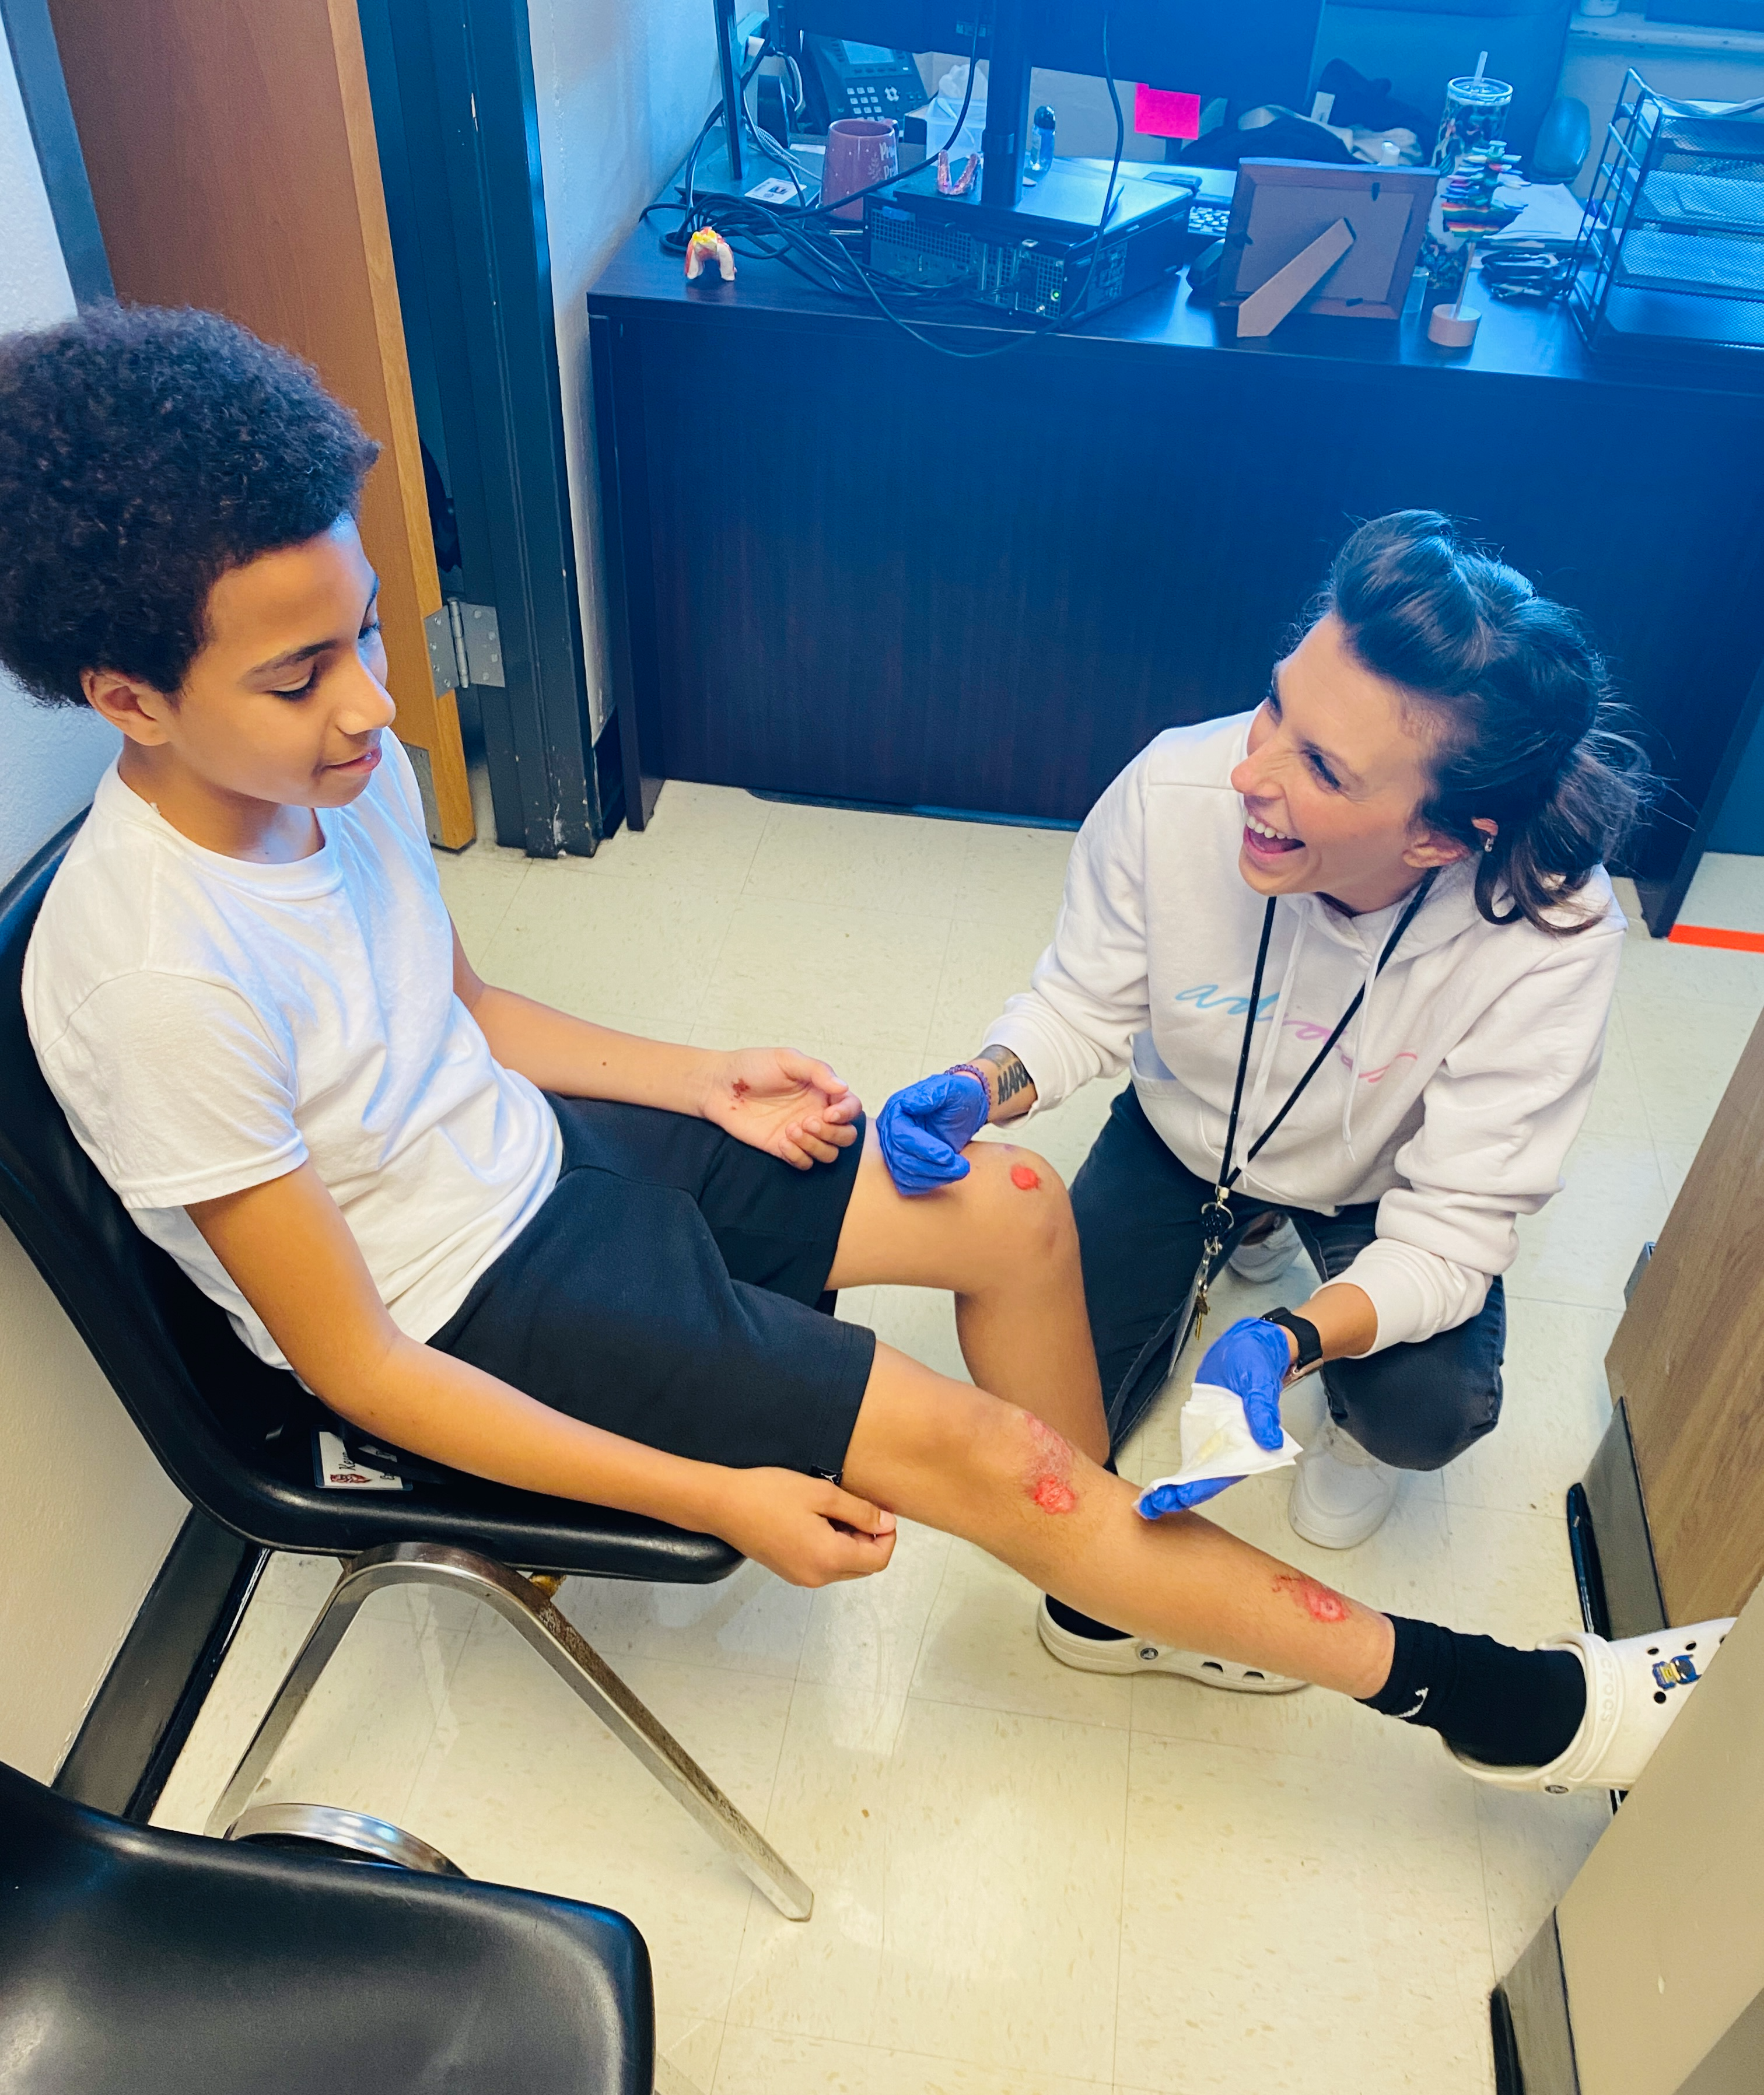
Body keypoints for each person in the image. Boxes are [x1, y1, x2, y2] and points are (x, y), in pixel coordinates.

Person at [2, 305, 1724, 1802]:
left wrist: (698, 1078)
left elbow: (463, 1017)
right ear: (129, 697)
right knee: (1009, 1464)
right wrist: (720, 1491)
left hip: (538, 1154)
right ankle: (1506, 1702)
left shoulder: (330, 778)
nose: (376, 709)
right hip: (461, 1301)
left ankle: (1090, 1574)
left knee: (1013, 1204)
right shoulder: (154, 976)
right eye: (305, 673)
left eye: (368, 630)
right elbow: (364, 1373)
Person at [876, 509, 1656, 1680]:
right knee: (1055, 1406)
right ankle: (1240, 1219)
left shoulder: (1552, 927)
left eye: (1323, 767)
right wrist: (983, 1081)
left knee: (1426, 1407)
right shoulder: (1178, 788)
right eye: (1277, 703)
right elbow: (1084, 1003)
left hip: (1376, 1186)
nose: (1252, 772)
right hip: (1187, 1131)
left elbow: (1452, 1232)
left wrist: (1295, 1337)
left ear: (1445, 837)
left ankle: (1346, 1405)